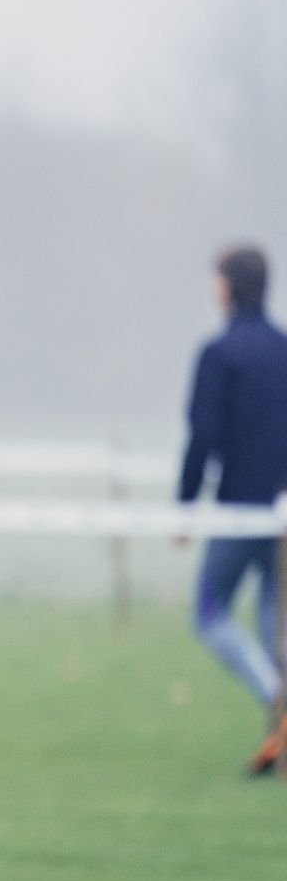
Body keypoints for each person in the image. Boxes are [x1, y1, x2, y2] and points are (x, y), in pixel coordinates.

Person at [178, 245, 287, 775]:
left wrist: (184, 505)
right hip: (283, 507)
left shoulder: (220, 354)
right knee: (274, 624)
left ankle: (275, 696)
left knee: (209, 611)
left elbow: (202, 435)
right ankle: (277, 738)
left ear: (226, 287)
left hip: (240, 508)